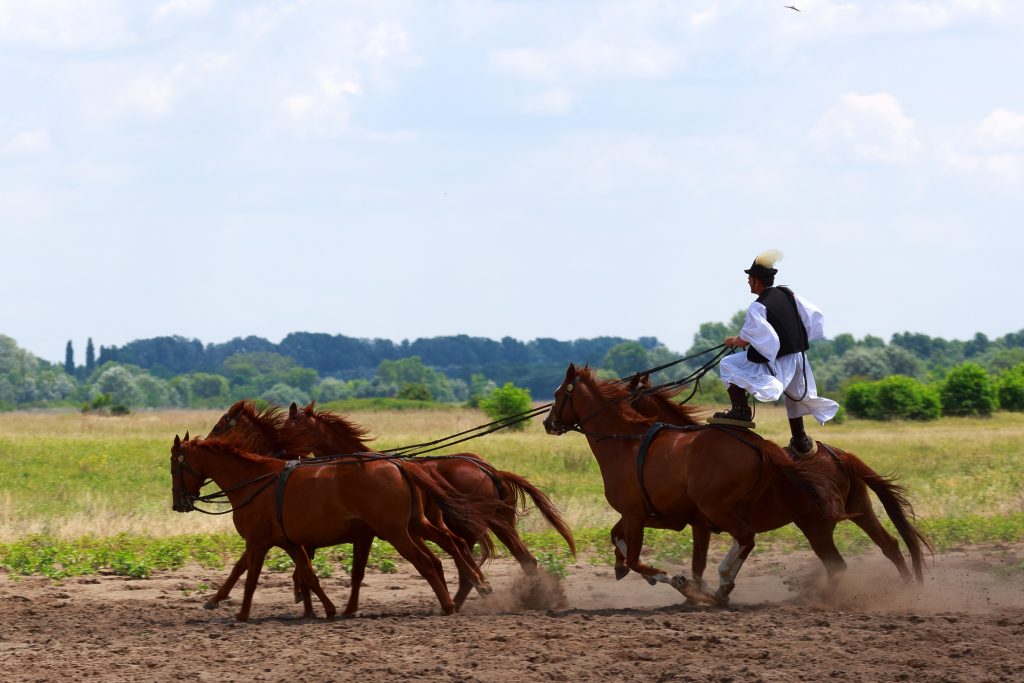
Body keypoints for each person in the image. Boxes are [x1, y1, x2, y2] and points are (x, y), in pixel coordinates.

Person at [712, 249, 839, 455]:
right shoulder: (788, 294)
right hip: (799, 357)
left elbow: (749, 338)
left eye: (749, 278)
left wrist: (733, 341)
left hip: (779, 359)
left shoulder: (757, 306)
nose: (747, 283)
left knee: (728, 364)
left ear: (756, 281)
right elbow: (813, 315)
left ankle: (741, 411)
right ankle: (800, 440)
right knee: (794, 397)